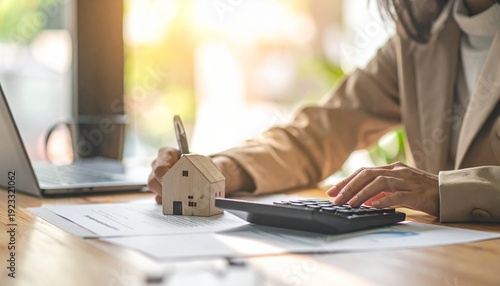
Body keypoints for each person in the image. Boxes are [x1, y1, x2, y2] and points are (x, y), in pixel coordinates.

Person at [148, 0, 500, 223]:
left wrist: (445, 189)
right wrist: (225, 169)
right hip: (442, 262)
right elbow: (322, 131)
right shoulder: (419, 38)